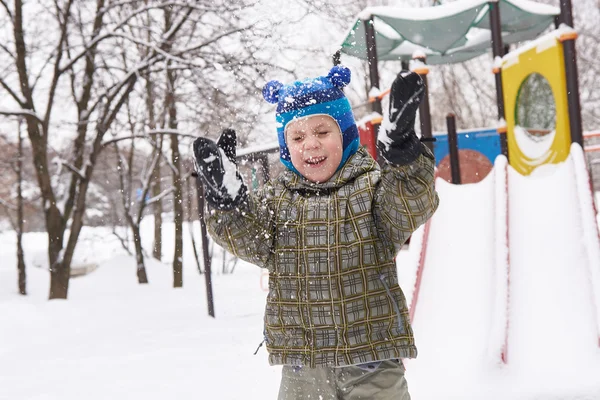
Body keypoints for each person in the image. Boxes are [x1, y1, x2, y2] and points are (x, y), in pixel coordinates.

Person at [193, 65, 439, 400]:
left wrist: (404, 156)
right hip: (302, 365)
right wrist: (229, 205)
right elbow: (250, 238)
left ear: (346, 135)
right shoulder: (277, 201)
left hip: (372, 359)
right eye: (297, 137)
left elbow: (408, 205)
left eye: (323, 131)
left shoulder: (371, 188)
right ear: (286, 147)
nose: (311, 144)